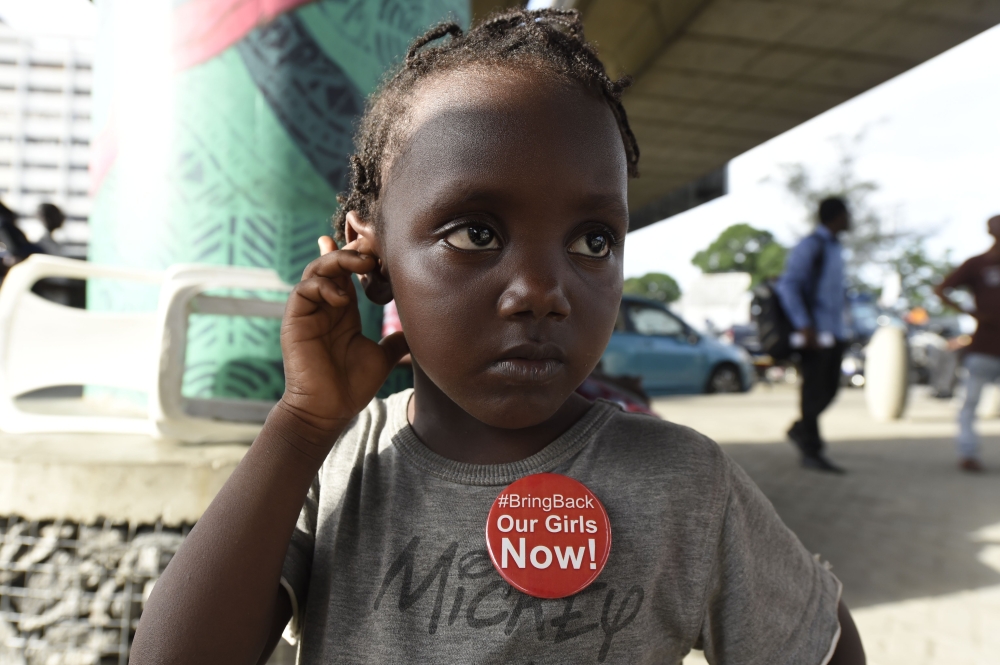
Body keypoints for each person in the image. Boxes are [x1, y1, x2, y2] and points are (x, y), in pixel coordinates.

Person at [130, 10, 864, 665]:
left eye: (593, 241)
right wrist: (300, 424)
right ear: (370, 258)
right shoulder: (337, 466)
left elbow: (821, 639)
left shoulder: (682, 483)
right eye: (476, 232)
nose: (543, 289)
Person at [776, 197, 851, 473]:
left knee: (830, 390)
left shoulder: (835, 248)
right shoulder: (812, 246)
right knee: (813, 392)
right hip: (814, 334)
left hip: (835, 332)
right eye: (846, 214)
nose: (849, 219)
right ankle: (812, 450)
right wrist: (804, 324)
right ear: (836, 216)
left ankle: (800, 429)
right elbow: (789, 286)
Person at [934, 215, 1000, 472]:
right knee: (970, 401)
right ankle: (968, 453)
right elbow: (941, 290)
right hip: (984, 345)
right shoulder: (977, 264)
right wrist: (972, 312)